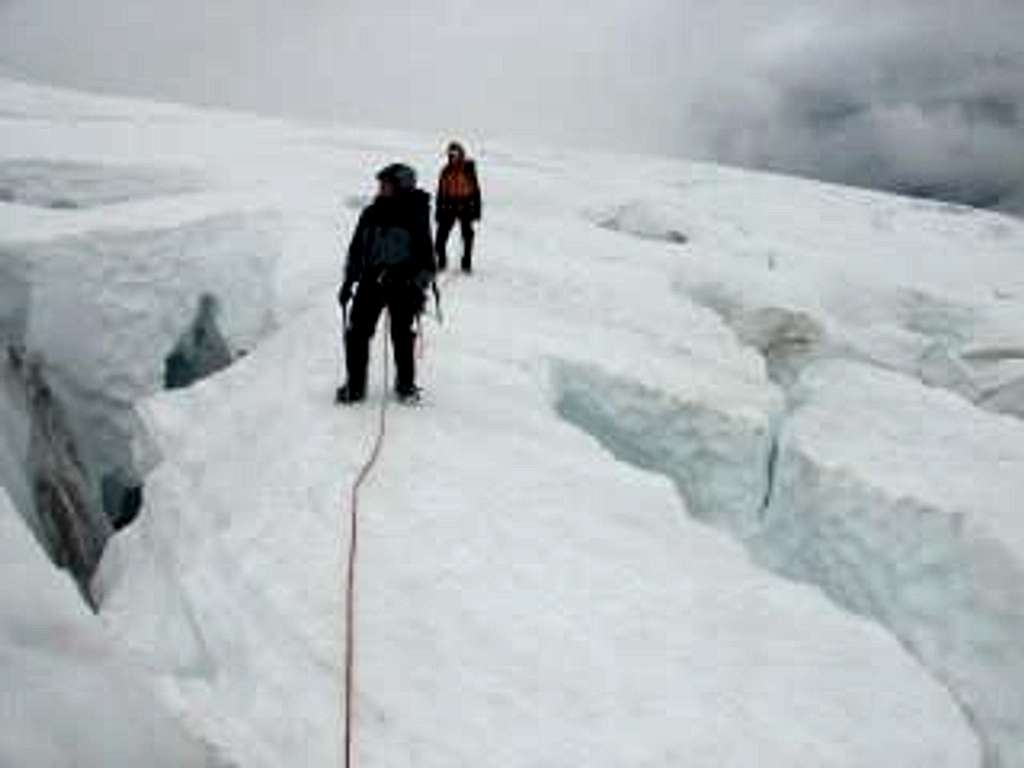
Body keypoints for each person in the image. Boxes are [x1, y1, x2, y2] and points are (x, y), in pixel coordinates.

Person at [336, 163, 435, 404]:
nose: (381, 189)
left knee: (401, 334)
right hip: (371, 280)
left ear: (402, 186)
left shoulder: (415, 214)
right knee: (357, 332)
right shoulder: (371, 213)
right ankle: (356, 385)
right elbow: (357, 249)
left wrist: (418, 287)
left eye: (386, 185)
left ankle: (405, 385)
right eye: (381, 185)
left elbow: (427, 259)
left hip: (403, 283)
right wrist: (349, 281)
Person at [435, 141, 482, 273]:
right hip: (449, 206)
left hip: (465, 205)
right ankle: (441, 261)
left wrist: (477, 210)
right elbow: (440, 192)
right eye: (450, 154)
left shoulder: (469, 170)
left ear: (461, 154)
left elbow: (476, 191)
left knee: (467, 236)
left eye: (455, 154)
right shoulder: (445, 171)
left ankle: (466, 262)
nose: (452, 157)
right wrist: (438, 211)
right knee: (440, 239)